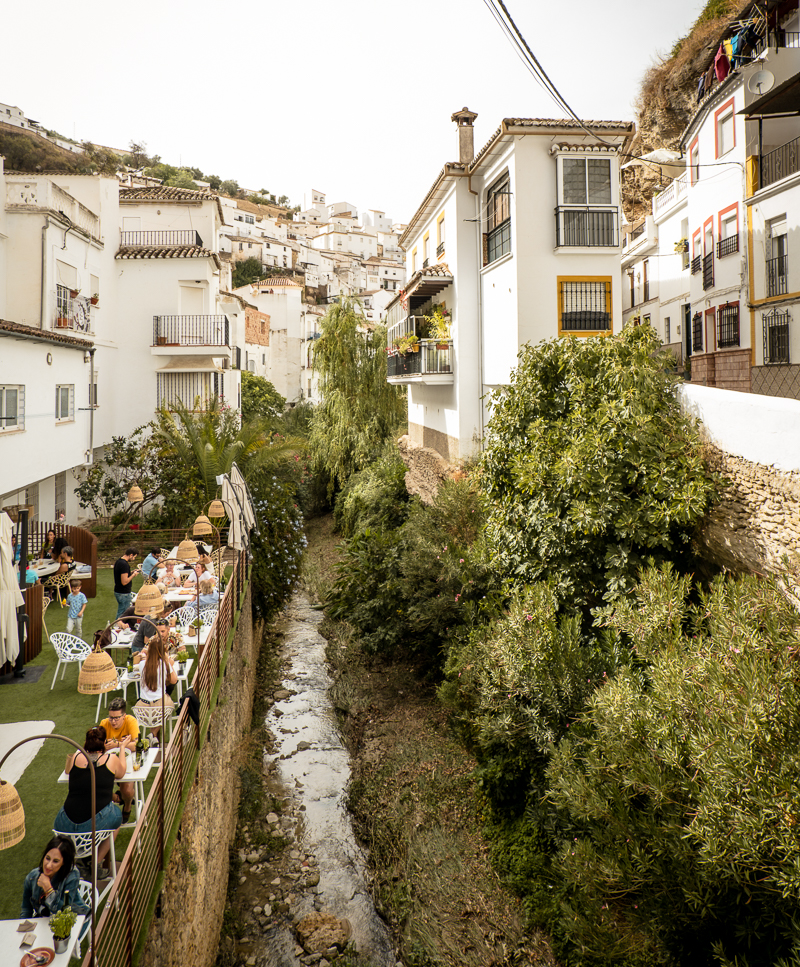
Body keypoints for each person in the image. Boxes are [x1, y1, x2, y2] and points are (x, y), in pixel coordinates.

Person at [54, 726, 130, 878]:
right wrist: (122, 748)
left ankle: (80, 860)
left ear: (86, 743)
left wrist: (81, 750)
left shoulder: (76, 757)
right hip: (92, 826)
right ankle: (95, 863)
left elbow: (67, 771)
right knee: (116, 817)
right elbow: (121, 772)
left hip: (64, 824)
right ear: (104, 743)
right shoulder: (111, 759)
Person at [20, 836, 90, 918]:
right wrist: (23, 927)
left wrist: (48, 890)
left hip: (74, 918)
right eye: (47, 858)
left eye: (55, 861)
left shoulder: (72, 875)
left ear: (64, 862)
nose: (48, 865)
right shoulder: (32, 877)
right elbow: (26, 909)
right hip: (46, 922)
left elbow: (65, 912)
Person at [133, 623, 177, 739]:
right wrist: (170, 664)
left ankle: (152, 737)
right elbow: (174, 681)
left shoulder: (142, 665)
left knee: (158, 713)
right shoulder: (164, 665)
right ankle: (153, 735)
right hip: (160, 706)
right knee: (169, 706)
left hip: (142, 708)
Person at [100, 698, 139, 823]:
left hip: (129, 759)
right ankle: (118, 799)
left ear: (124, 716)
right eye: (111, 717)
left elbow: (136, 745)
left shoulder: (131, 721)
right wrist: (102, 746)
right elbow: (97, 745)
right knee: (96, 786)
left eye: (116, 718)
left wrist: (118, 745)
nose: (113, 721)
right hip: (110, 761)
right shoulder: (104, 723)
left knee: (127, 790)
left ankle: (127, 806)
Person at [113, 548, 140, 620]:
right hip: (123, 593)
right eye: (134, 557)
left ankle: (117, 626)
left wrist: (130, 573)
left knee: (121, 611)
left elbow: (122, 575)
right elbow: (124, 582)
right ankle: (117, 627)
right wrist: (133, 575)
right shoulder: (124, 564)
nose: (134, 559)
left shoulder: (119, 561)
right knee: (123, 613)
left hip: (118, 591)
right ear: (131, 555)